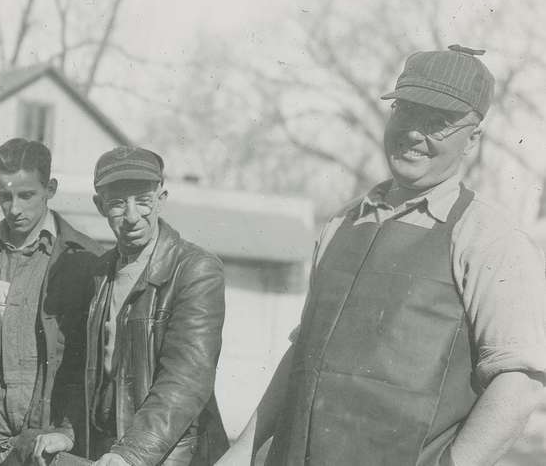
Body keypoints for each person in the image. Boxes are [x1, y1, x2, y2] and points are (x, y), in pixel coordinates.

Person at [218, 45, 546, 466]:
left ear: (473, 139)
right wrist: (242, 451)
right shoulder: (343, 223)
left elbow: (518, 385)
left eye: (439, 123)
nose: (414, 134)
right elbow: (303, 355)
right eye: (407, 112)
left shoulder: (490, 238)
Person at [0, 138, 103, 466]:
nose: (14, 208)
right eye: (5, 196)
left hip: (47, 445)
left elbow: (89, 365)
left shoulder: (85, 261)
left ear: (50, 188)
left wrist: (65, 432)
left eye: (27, 195)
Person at [81, 146, 228, 466]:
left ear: (161, 199)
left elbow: (186, 379)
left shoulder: (195, 270)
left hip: (171, 454)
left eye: (143, 201)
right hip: (109, 451)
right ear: (99, 205)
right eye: (118, 203)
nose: (132, 216)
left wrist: (131, 454)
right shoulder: (100, 272)